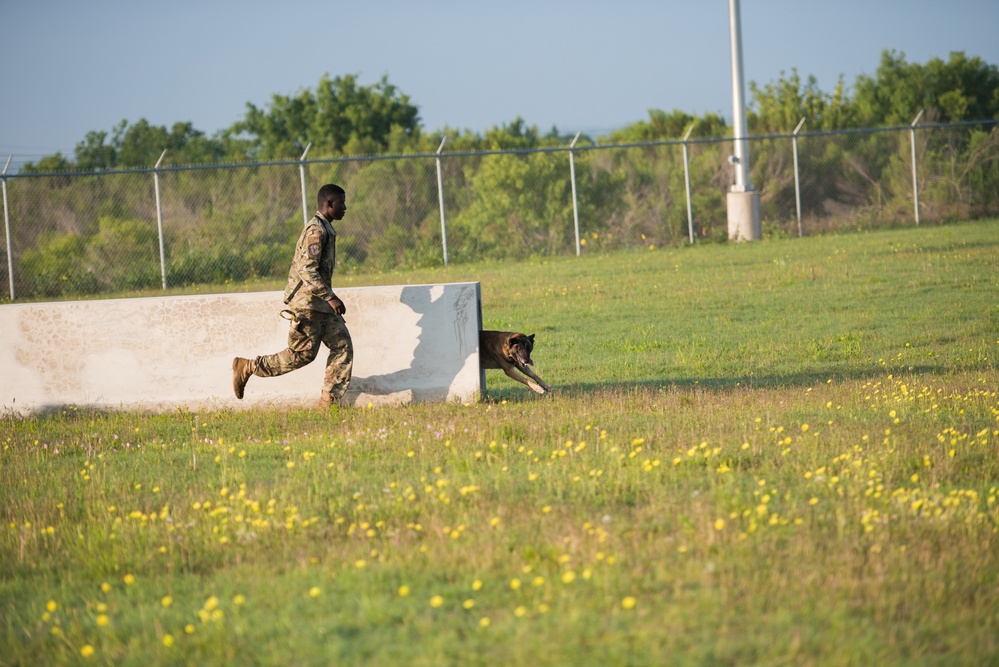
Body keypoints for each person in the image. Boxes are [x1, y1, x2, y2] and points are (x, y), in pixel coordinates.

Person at [232, 183, 353, 409]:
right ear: (329, 204)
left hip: (320, 304)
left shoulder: (326, 228)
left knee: (342, 346)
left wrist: (328, 299)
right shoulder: (316, 231)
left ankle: (328, 402)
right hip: (308, 304)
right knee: (301, 355)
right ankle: (248, 367)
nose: (345, 207)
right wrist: (330, 297)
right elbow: (307, 269)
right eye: (341, 203)